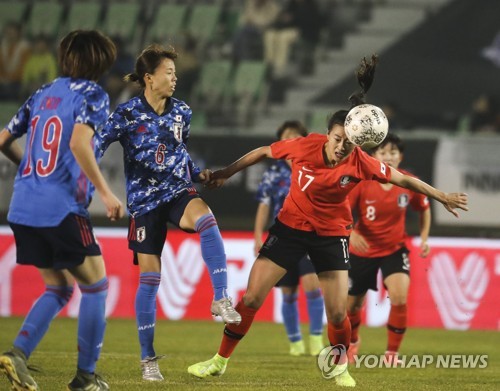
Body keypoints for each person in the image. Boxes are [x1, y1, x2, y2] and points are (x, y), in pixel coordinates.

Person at [187, 55, 468, 387]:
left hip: (332, 237)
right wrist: (224, 174)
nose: (342, 147)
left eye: (349, 144)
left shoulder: (361, 162)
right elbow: (263, 151)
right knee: (250, 299)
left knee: (337, 313)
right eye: (337, 140)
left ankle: (340, 367)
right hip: (289, 230)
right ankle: (219, 361)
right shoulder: (303, 146)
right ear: (328, 134)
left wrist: (442, 197)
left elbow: (403, 179)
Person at [96, 44, 241, 382]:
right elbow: (96, 146)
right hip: (144, 204)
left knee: (207, 220)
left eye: (175, 73)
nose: (175, 78)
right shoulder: (127, 114)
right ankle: (148, 359)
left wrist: (197, 174)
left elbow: (179, 152)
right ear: (149, 78)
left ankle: (220, 298)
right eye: (169, 73)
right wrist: (93, 183)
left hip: (177, 192)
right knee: (150, 281)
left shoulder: (182, 112)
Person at [0, 30, 122, 391]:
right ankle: (85, 377)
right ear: (100, 61)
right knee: (96, 286)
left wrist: (29, 169)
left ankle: (17, 354)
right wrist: (106, 192)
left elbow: (4, 139)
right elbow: (78, 142)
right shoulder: (94, 94)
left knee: (58, 287)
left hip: (22, 205)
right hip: (60, 207)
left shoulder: (43, 92)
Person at [345, 133, 431, 366]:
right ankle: (352, 342)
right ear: (374, 156)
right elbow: (341, 210)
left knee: (400, 297)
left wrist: (424, 239)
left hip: (394, 249)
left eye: (393, 153)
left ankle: (391, 354)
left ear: (400, 156)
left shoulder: (408, 182)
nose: (388, 157)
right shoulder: (362, 182)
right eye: (383, 152)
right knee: (352, 305)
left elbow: (424, 208)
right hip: (363, 251)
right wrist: (351, 232)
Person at [254, 120, 325, 356]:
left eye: (295, 137)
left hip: (309, 235)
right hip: (283, 236)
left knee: (312, 284)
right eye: (285, 137)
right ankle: (295, 341)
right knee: (288, 292)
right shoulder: (273, 173)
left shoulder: (312, 165)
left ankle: (316, 338)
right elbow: (264, 205)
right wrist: (257, 236)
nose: (290, 141)